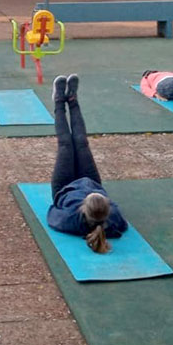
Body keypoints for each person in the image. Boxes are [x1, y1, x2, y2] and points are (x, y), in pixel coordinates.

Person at [47, 74, 128, 254]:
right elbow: (121, 224)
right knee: (81, 142)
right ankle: (73, 99)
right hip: (90, 180)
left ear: (82, 208)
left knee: (66, 144)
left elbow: (52, 212)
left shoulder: (69, 219)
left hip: (64, 186)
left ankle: (59, 101)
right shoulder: (113, 219)